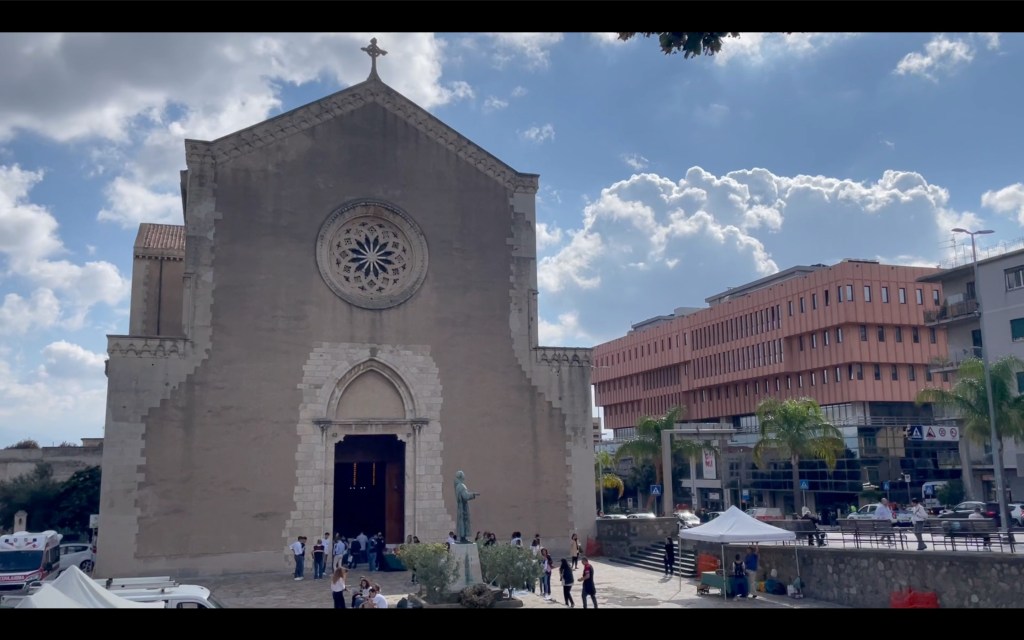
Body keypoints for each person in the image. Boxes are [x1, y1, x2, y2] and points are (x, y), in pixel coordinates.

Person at [454, 470, 480, 543]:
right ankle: (463, 537)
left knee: (462, 522)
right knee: (464, 522)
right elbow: (465, 496)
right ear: (461, 476)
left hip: (461, 507)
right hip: (463, 508)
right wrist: (473, 494)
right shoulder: (461, 486)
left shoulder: (458, 486)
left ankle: (463, 537)